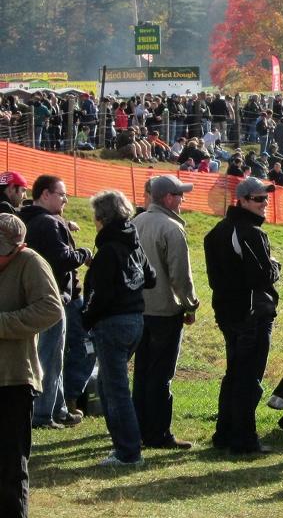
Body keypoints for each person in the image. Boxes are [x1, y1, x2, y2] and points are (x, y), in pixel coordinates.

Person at [0, 213, 64, 518]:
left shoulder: (31, 263)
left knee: (9, 467)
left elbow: (50, 309)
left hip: (13, 379)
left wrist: (2, 324)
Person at [203, 177, 281, 455]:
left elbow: (216, 279)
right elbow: (261, 278)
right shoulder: (250, 233)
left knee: (235, 374)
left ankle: (224, 433)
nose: (265, 204)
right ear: (243, 200)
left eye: (266, 199)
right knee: (248, 378)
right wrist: (275, 268)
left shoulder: (216, 232)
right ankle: (244, 439)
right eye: (259, 199)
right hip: (252, 314)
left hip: (228, 312)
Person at [82, 191, 156, 467]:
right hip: (136, 319)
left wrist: (86, 318)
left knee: (116, 390)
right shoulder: (133, 244)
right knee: (107, 385)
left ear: (101, 218)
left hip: (113, 323)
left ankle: (128, 452)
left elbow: (101, 296)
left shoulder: (108, 251)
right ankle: (123, 447)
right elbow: (151, 279)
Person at [18, 175, 92, 429]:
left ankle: (58, 408)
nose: (65, 199)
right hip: (52, 298)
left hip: (34, 297)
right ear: (45, 194)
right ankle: (42, 415)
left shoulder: (26, 217)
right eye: (61, 194)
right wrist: (84, 254)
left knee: (52, 355)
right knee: (50, 357)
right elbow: (62, 258)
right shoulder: (48, 223)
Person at [132, 175, 201, 451]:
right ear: (168, 198)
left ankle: (138, 428)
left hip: (138, 309)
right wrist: (190, 305)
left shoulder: (135, 223)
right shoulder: (172, 228)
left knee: (142, 373)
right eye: (180, 195)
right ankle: (158, 434)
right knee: (161, 376)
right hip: (164, 311)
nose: (183, 200)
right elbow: (180, 277)